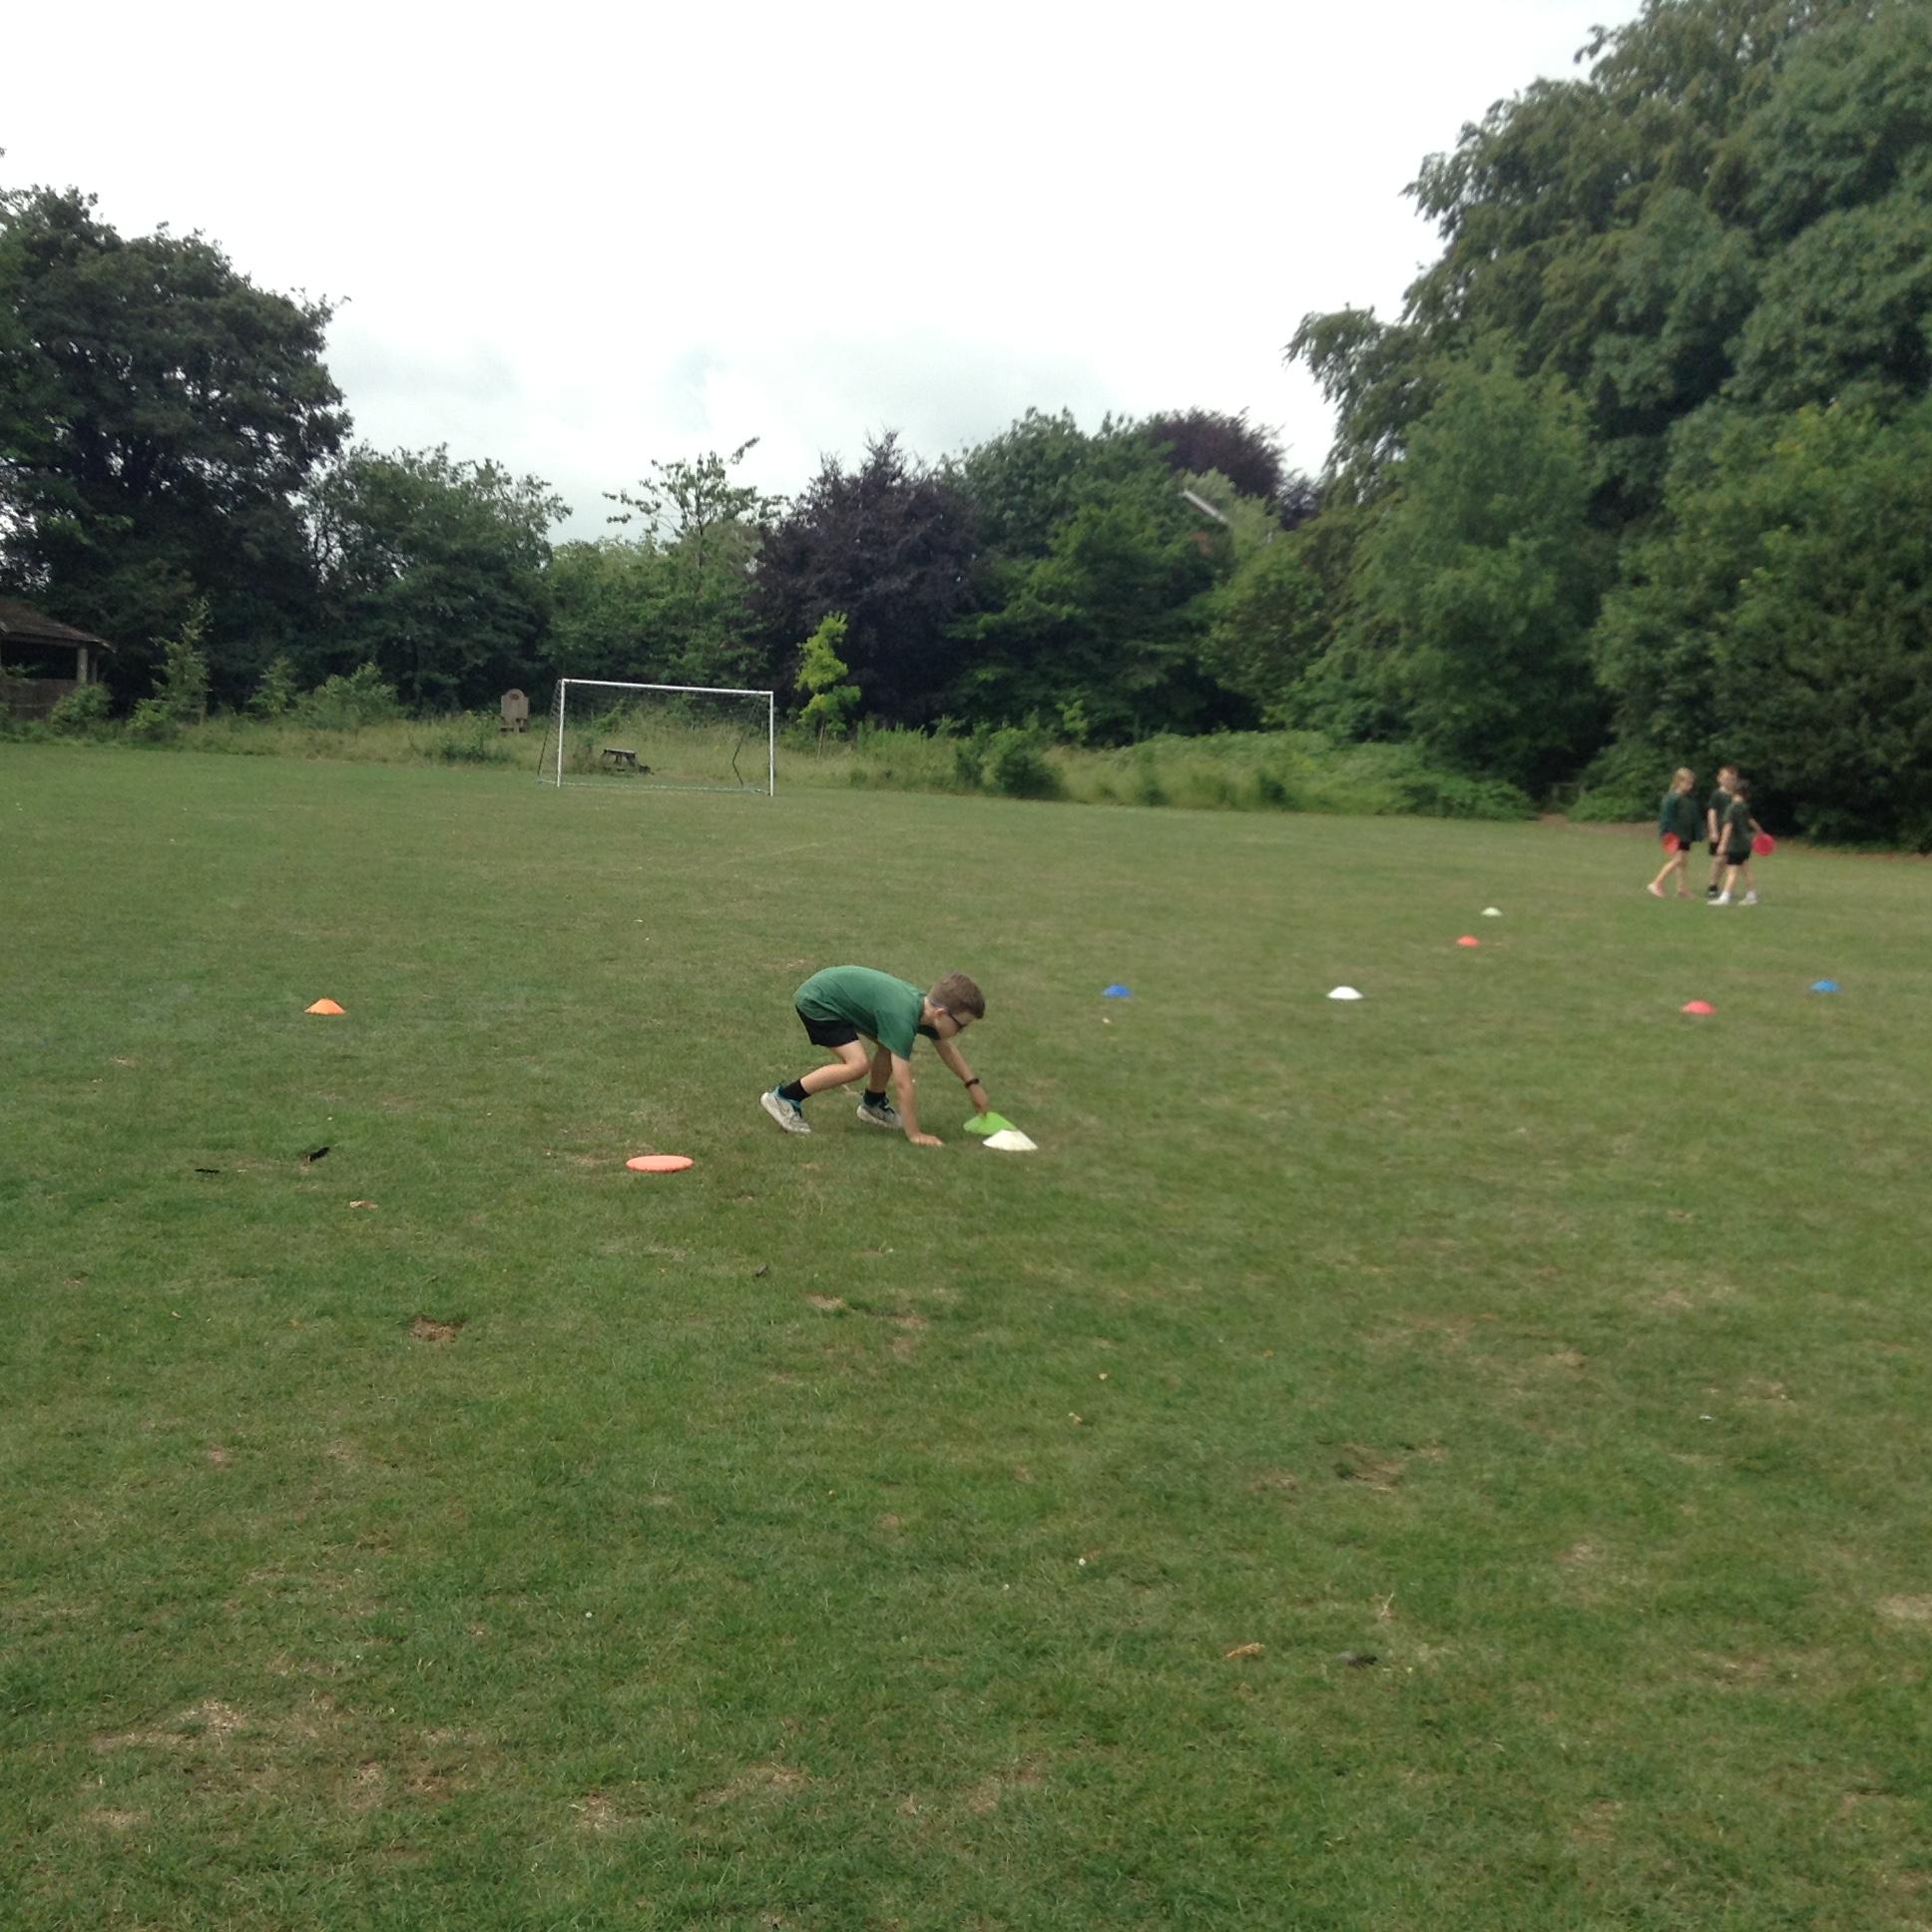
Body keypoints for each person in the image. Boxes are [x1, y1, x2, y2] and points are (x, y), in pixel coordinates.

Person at [761, 966, 989, 1147]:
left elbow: (946, 1049)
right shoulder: (903, 1018)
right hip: (819, 1000)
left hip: (833, 993)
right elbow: (903, 1083)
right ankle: (784, 1098)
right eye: (961, 1026)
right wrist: (915, 1134)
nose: (961, 1032)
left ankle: (873, 1104)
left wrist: (972, 1084)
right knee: (858, 1065)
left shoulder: (924, 1009)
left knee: (889, 1045)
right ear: (940, 1013)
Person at [1647, 767, 1699, 898]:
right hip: (1675, 835)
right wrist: (1665, 833)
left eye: (1691, 783)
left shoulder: (1688, 799)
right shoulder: (1672, 798)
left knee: (1683, 862)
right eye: (1687, 783)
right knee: (1677, 860)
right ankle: (1656, 883)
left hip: (1685, 835)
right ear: (1679, 782)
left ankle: (1682, 889)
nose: (1690, 786)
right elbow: (1666, 817)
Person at [1710, 779, 1765, 905]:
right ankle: (1752, 895)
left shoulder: (1731, 808)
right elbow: (1751, 821)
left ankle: (1725, 897)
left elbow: (1728, 827)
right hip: (1745, 845)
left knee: (1732, 872)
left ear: (1733, 792)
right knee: (1746, 870)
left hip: (1735, 846)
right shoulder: (1744, 807)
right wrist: (1760, 832)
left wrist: (1722, 844)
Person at [1703, 764, 1738, 899]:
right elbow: (1712, 812)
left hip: (1733, 834)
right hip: (1719, 831)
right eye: (1727, 778)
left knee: (1731, 861)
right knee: (1719, 860)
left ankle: (1728, 888)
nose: (1730, 781)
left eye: (1733, 779)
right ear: (1719, 779)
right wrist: (1713, 831)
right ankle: (1713, 885)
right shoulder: (1717, 794)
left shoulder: (1736, 796)